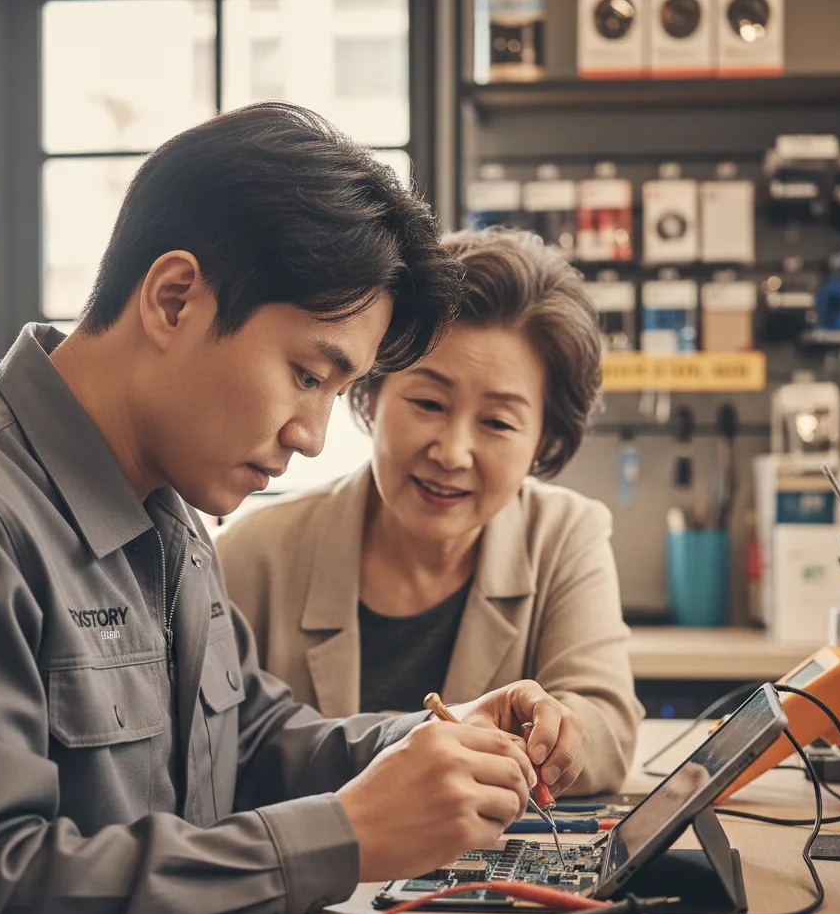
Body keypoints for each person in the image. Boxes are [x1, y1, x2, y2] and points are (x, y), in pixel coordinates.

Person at [0, 106, 584, 914]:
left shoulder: (169, 506)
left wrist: (424, 745)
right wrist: (344, 834)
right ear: (174, 299)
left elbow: (247, 743)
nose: (313, 434)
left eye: (337, 390)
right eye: (307, 375)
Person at [217, 228, 644, 796]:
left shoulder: (563, 535)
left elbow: (606, 726)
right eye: (428, 403)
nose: (452, 453)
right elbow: (213, 762)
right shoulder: (252, 553)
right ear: (371, 395)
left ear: (542, 441)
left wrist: (558, 735)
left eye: (498, 422)